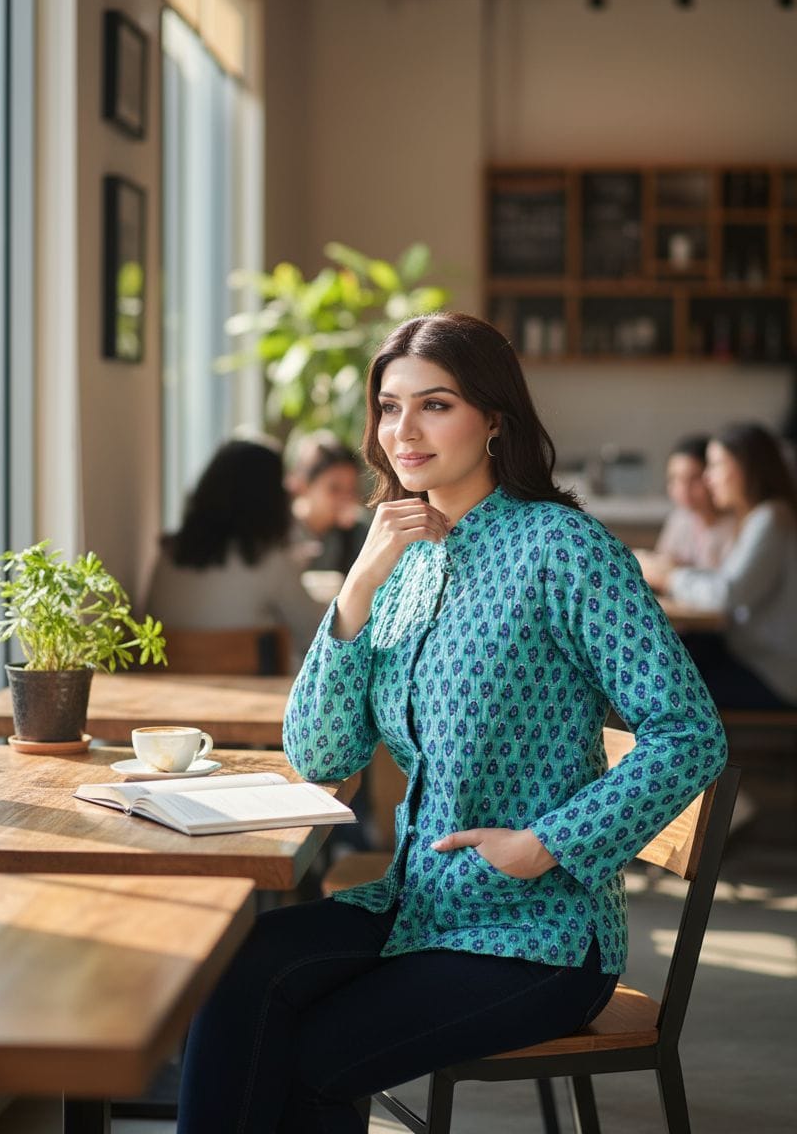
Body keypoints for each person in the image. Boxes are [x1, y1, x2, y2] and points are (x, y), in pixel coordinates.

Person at [176, 313, 727, 1134]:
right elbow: (320, 753)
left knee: (312, 1058)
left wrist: (545, 845)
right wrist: (357, 587)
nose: (405, 431)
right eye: (389, 408)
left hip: (537, 933)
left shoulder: (565, 550)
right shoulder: (400, 562)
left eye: (435, 405)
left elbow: (689, 732)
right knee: (238, 979)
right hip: (419, 904)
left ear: (494, 418)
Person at [648, 422, 797, 709]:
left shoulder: (771, 518)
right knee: (668, 661)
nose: (708, 477)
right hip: (752, 659)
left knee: (664, 687)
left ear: (746, 468)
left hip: (771, 673)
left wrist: (670, 577)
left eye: (716, 465)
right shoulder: (761, 517)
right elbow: (728, 582)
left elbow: (727, 594)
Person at [145, 439, 324, 668]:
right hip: (252, 688)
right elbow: (317, 636)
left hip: (166, 685)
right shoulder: (270, 561)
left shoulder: (168, 556)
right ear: (271, 498)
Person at [635, 434, 735, 591]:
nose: (683, 489)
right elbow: (662, 565)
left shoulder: (734, 526)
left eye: (694, 479)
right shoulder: (680, 519)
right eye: (675, 479)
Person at [289, 437, 369, 575]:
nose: (345, 498)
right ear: (304, 485)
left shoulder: (357, 534)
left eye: (351, 490)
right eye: (334, 489)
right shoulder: (281, 534)